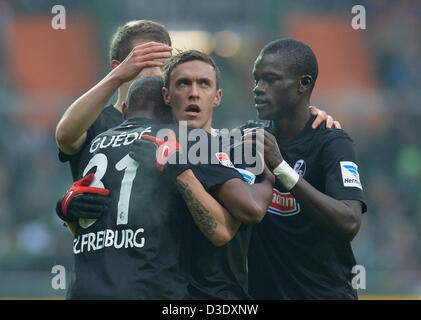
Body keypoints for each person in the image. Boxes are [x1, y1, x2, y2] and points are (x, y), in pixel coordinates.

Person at [57, 75, 273, 299]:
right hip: (149, 289)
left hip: (82, 290)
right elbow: (222, 231)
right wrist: (269, 177)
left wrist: (64, 212)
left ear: (124, 111)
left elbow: (93, 222)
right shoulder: (183, 140)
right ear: (171, 108)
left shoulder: (95, 145)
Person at [242, 38, 367, 299]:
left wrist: (281, 168)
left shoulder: (333, 143)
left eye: (270, 79)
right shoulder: (250, 138)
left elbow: (350, 221)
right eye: (256, 80)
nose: (258, 89)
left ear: (303, 84)